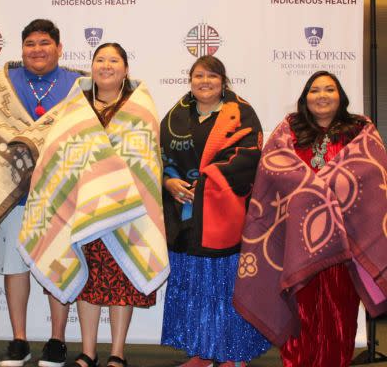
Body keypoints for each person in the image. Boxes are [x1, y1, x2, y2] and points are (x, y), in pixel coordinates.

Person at [14, 42, 169, 367]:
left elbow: (145, 160)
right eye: (100, 59)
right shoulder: (74, 108)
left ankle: (117, 353)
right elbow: (55, 156)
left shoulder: (141, 110)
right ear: (92, 66)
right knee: (89, 281)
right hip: (79, 209)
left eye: (114, 60)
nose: (106, 65)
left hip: (125, 211)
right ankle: (87, 351)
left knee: (121, 282)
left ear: (126, 69)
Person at [233, 71, 387, 367]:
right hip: (296, 243)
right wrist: (318, 188)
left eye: (329, 89)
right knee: (299, 314)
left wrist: (322, 187)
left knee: (339, 316)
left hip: (344, 244)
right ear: (305, 98)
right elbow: (273, 170)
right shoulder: (289, 129)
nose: (322, 95)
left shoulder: (360, 130)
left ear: (340, 95)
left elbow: (370, 173)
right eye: (315, 90)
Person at [0, 19, 85, 367]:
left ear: (59, 47)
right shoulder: (4, 83)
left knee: (58, 262)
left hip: (59, 194)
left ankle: (56, 340)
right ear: (21, 48)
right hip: (13, 194)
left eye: (44, 43)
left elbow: (84, 134)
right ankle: (19, 340)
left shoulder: (78, 84)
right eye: (30, 44)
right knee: (14, 267)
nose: (37, 50)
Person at [159, 55, 270, 367]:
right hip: (184, 217)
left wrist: (206, 184)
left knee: (224, 288)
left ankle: (232, 356)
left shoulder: (241, 113)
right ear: (190, 81)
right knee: (193, 286)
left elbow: (250, 157)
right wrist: (168, 183)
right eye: (198, 76)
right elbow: (160, 157)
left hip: (224, 217)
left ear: (223, 82)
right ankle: (202, 352)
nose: (204, 81)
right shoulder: (174, 116)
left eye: (211, 76)